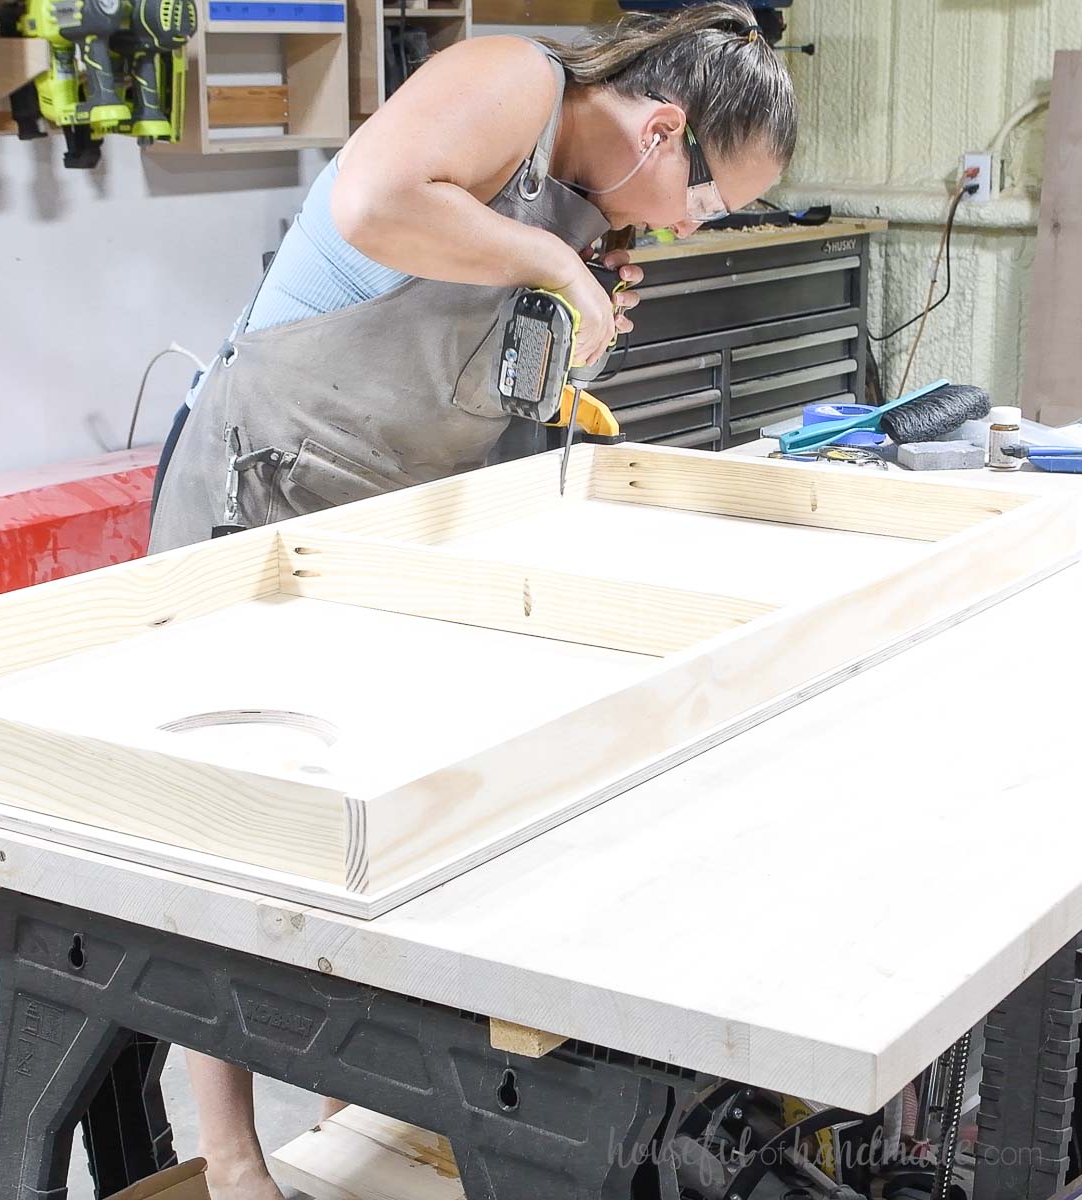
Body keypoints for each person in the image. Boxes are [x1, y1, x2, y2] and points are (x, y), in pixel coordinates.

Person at [149, 3, 797, 1195]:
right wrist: (551, 262)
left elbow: (484, 359)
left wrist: (565, 308)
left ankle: (355, 1096)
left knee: (372, 816)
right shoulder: (512, 77)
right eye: (712, 198)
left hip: (389, 522)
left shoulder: (585, 200)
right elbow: (373, 203)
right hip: (264, 494)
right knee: (225, 830)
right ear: (665, 129)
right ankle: (231, 1152)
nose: (698, 222)